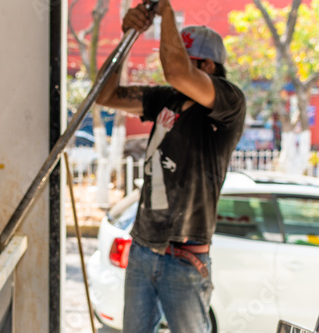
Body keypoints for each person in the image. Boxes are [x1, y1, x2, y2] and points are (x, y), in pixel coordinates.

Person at [96, 0, 246, 332]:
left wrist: (163, 13)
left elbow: (176, 70)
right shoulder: (167, 99)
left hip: (185, 256)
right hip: (143, 248)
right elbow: (105, 95)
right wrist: (129, 38)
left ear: (207, 66)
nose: (172, 65)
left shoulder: (228, 101)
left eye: (186, 59)